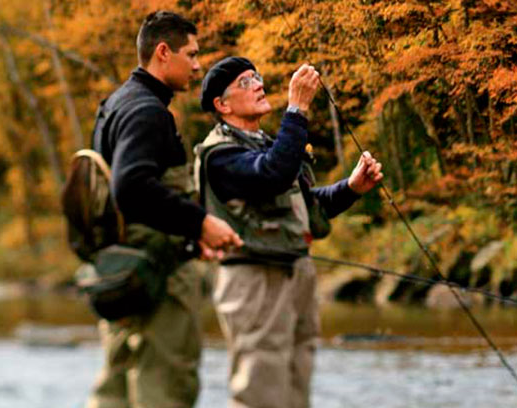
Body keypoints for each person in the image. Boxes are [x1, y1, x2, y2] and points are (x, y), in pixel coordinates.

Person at [195, 57, 383, 408]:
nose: (258, 85)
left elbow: (306, 208)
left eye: (257, 78)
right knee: (260, 392)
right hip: (254, 281)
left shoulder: (267, 145)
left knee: (297, 389)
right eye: (245, 83)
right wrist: (296, 109)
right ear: (222, 105)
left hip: (296, 273)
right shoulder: (219, 155)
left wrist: (352, 188)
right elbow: (272, 175)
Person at [86, 12, 242, 408]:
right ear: (162, 52)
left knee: (116, 391)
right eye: (191, 54)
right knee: (166, 390)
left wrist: (191, 236)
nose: (197, 64)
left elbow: (127, 199)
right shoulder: (147, 112)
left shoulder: (115, 104)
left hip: (120, 271)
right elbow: (131, 186)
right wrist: (201, 224)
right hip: (160, 280)